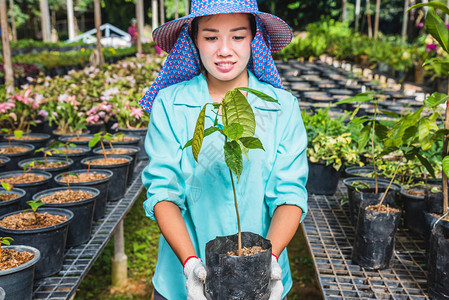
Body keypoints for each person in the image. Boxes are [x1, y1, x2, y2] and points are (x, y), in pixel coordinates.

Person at [139, 0, 308, 299]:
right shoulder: (169, 105)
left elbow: (290, 193)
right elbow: (163, 192)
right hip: (182, 280)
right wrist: (191, 265)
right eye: (211, 36)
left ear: (254, 39)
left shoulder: (281, 107)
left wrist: (266, 262)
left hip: (261, 282)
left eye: (238, 36)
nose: (225, 50)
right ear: (193, 39)